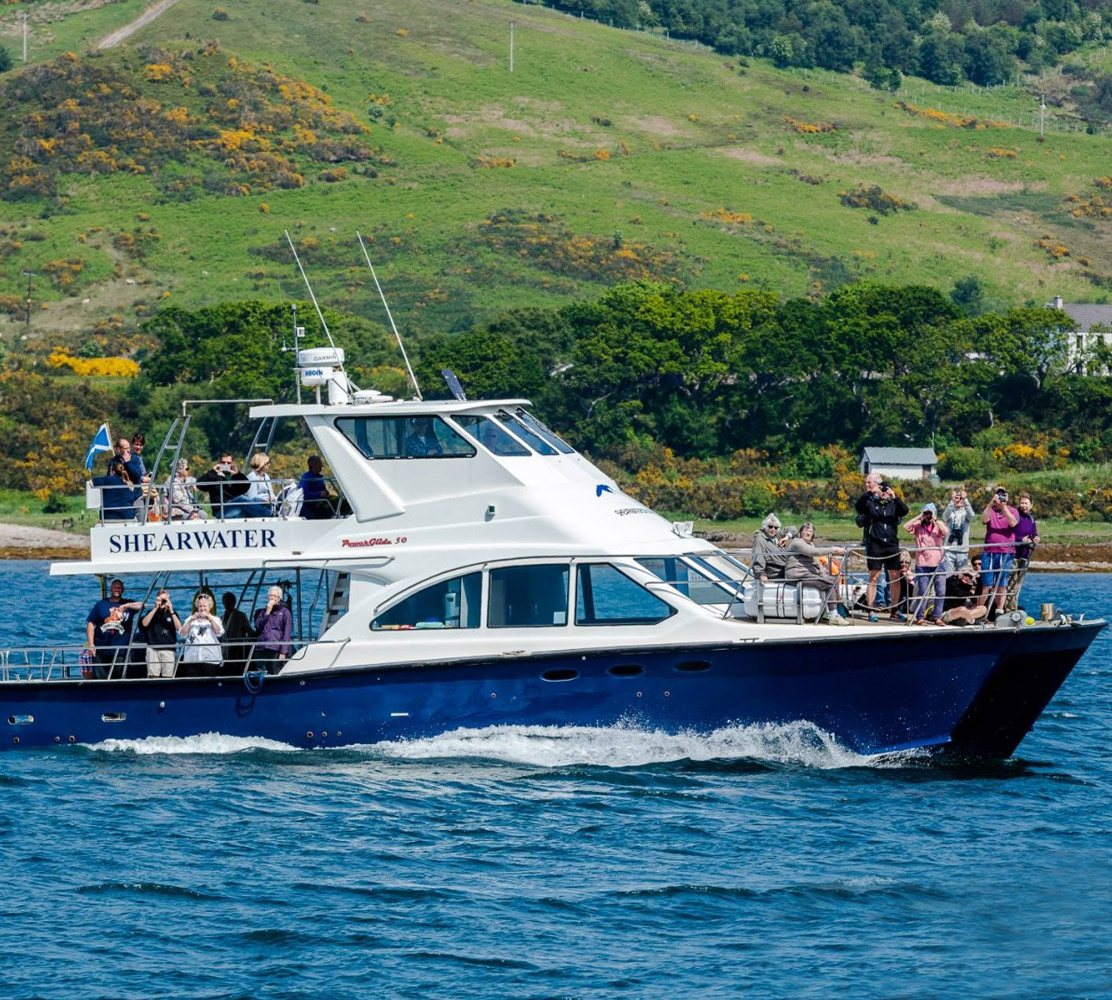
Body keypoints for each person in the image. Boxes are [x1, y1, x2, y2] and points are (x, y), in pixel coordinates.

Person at [855, 473, 909, 621]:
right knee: (874, 576)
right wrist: (869, 494)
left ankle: (895, 610)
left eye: (869, 483)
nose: (867, 485)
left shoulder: (892, 504)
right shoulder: (870, 502)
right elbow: (858, 506)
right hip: (875, 543)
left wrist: (894, 496)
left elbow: (905, 510)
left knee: (895, 576)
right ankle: (871, 610)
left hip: (891, 543)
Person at [784, 522, 849, 625]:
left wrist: (824, 574)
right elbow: (814, 553)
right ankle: (834, 616)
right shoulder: (797, 543)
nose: (808, 532)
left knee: (834, 580)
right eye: (805, 530)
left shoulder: (810, 544)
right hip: (797, 575)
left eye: (810, 531)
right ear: (800, 533)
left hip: (808, 574)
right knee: (830, 584)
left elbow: (816, 562)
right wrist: (835, 549)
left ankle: (831, 611)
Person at [85, 578, 143, 679]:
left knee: (120, 677)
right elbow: (90, 623)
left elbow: (142, 605)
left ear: (123, 590)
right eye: (115, 587)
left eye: (119, 588)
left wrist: (127, 605)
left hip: (121, 650)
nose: (117, 590)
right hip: (101, 648)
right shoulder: (101, 604)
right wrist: (91, 644)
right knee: (100, 678)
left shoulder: (128, 603)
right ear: (111, 589)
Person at [905, 502, 948, 625]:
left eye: (930, 513)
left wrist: (936, 520)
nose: (927, 516)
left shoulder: (938, 525)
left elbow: (945, 532)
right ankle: (920, 616)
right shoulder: (918, 526)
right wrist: (919, 516)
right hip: (923, 563)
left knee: (940, 591)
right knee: (922, 591)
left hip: (939, 562)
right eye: (926, 512)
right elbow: (906, 527)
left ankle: (937, 616)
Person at [979, 485, 1018, 617]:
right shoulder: (990, 510)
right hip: (989, 551)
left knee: (1002, 583)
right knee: (986, 583)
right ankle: (979, 612)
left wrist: (1004, 507)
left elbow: (1013, 523)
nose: (1001, 497)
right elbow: (984, 519)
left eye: (1003, 494)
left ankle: (999, 611)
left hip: (1006, 552)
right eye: (998, 494)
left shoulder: (1012, 510)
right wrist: (991, 503)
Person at [178, 591, 224, 677]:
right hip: (192, 658)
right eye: (200, 606)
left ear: (209, 607)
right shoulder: (190, 619)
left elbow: (219, 632)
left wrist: (210, 619)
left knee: (210, 682)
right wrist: (190, 621)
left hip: (210, 658)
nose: (202, 608)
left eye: (204, 606)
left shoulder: (215, 619)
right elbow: (182, 633)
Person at [139, 589, 180, 678]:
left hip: (168, 649)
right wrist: (155, 608)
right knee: (153, 676)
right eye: (161, 600)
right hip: (153, 648)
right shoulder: (151, 612)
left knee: (168, 677)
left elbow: (179, 628)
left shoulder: (172, 613)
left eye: (164, 600)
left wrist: (171, 610)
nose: (163, 602)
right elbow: (144, 623)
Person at [252, 585, 292, 675]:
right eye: (271, 595)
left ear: (279, 598)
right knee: (260, 673)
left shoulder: (285, 612)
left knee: (275, 672)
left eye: (275, 596)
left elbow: (287, 632)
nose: (272, 598)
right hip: (261, 648)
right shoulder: (263, 612)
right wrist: (267, 612)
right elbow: (258, 626)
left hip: (275, 648)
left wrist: (283, 651)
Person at [195, 453, 250, 518]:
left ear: (232, 463)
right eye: (223, 462)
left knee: (255, 500)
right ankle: (263, 515)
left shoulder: (235, 477)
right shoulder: (214, 477)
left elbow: (246, 487)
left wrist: (237, 474)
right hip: (221, 510)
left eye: (228, 463)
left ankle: (262, 517)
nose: (226, 465)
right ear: (219, 463)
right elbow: (199, 485)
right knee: (242, 499)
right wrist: (213, 471)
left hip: (236, 507)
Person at [226, 453, 276, 519]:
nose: (269, 464)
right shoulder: (252, 477)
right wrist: (264, 501)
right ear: (261, 464)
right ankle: (270, 513)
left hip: (268, 504)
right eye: (267, 463)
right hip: (258, 506)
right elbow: (251, 499)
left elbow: (271, 492)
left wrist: (272, 498)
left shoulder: (266, 476)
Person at [941, 486, 976, 576]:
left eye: (961, 499)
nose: (959, 500)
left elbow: (971, 515)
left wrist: (966, 500)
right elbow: (944, 517)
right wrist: (952, 501)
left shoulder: (966, 512)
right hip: (949, 549)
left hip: (962, 550)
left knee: (961, 576)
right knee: (948, 576)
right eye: (957, 498)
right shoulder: (950, 511)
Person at [751, 513, 789, 583]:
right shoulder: (760, 539)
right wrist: (760, 574)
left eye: (776, 527)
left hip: (785, 570)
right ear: (765, 527)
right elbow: (758, 558)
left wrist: (787, 537)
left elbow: (793, 529)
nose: (773, 529)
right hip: (773, 574)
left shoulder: (778, 535)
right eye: (770, 527)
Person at [220, 592, 252, 675]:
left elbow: (249, 631)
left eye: (229, 601)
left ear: (234, 602)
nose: (228, 604)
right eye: (226, 602)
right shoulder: (221, 618)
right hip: (224, 650)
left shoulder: (240, 616)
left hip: (237, 649)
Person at [299, 455, 335, 520]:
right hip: (309, 506)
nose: (322, 466)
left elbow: (324, 490)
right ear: (314, 465)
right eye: (320, 464)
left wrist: (326, 493)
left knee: (336, 500)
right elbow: (304, 494)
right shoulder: (306, 477)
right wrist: (318, 494)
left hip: (320, 503)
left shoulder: (319, 477)